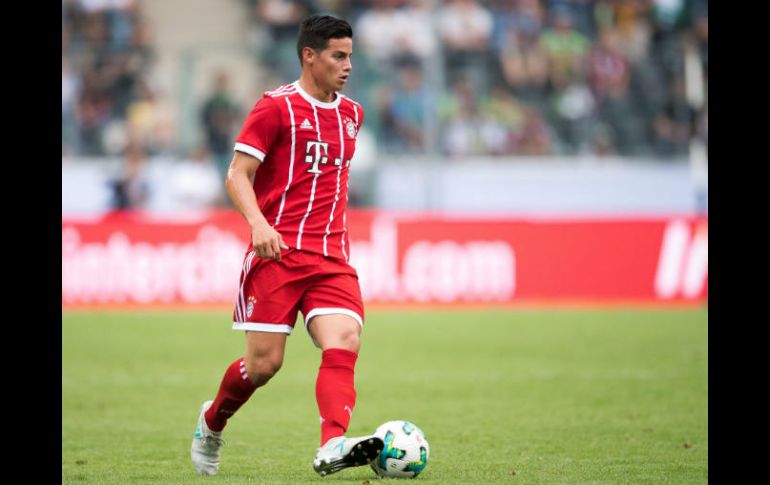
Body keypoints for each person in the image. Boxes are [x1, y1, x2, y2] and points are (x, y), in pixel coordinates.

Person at [190, 14, 384, 477]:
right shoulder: (275, 108)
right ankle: (212, 422)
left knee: (345, 339)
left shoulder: (353, 115)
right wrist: (258, 225)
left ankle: (332, 444)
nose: (347, 65)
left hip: (331, 257)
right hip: (276, 255)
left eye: (351, 56)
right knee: (263, 366)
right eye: (338, 56)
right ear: (309, 56)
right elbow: (238, 174)